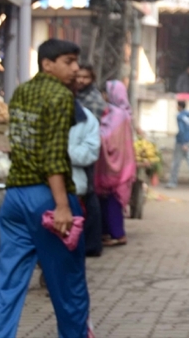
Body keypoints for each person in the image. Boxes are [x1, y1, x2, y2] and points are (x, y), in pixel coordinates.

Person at [0, 38, 91, 338]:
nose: (75, 69)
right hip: (47, 198)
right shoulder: (60, 96)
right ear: (47, 64)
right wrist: (61, 205)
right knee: (68, 284)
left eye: (76, 62)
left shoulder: (21, 92)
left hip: (16, 197)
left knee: (8, 282)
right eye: (68, 62)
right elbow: (53, 154)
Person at [94, 80, 136, 248]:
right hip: (123, 163)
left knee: (110, 199)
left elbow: (107, 137)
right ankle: (108, 233)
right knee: (110, 199)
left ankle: (117, 234)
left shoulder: (116, 114)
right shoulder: (126, 113)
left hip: (111, 164)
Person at [72, 64, 105, 255]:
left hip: (84, 154)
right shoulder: (79, 97)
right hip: (79, 153)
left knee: (88, 195)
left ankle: (91, 243)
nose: (81, 80)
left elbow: (91, 135)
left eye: (85, 77)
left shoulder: (92, 101)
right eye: (79, 77)